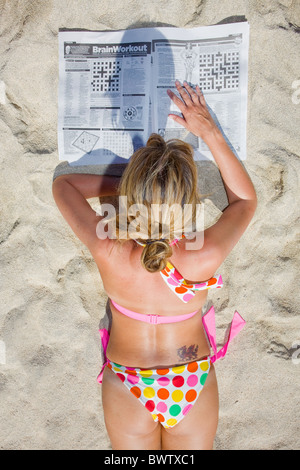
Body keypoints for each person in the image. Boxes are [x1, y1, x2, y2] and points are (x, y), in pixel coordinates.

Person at [52, 80, 257, 450]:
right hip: (188, 378)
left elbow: (63, 186)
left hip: (127, 380)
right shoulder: (203, 254)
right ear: (187, 201)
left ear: (131, 193)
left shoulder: (109, 249)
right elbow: (245, 201)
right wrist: (208, 130)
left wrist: (134, 186)